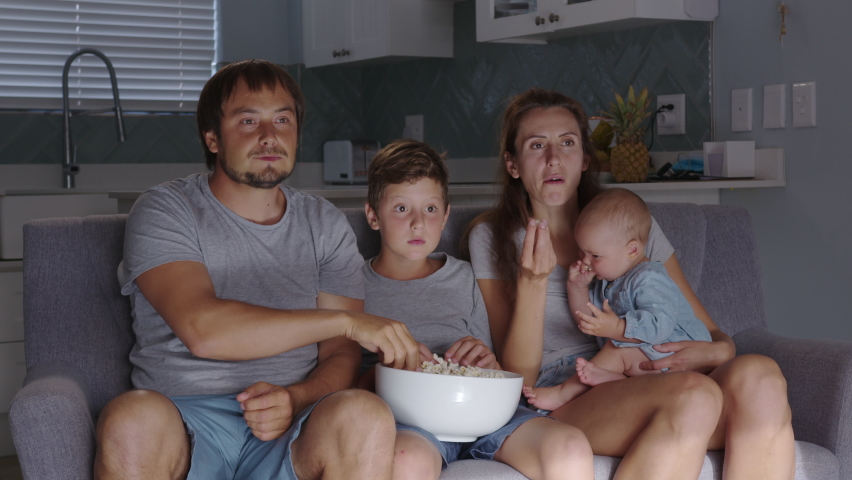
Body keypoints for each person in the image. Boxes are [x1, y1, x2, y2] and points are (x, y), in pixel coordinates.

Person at [94, 59, 423, 480]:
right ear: (212, 138)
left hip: (293, 424)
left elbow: (339, 353)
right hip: (184, 419)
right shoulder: (166, 210)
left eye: (282, 119)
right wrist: (345, 321)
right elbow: (204, 330)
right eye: (248, 120)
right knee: (130, 415)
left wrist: (297, 397)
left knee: (365, 412)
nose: (269, 136)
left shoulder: (324, 224)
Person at [464, 87, 795, 479]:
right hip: (569, 387)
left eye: (567, 143)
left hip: (655, 370)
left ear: (585, 159)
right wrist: (533, 283)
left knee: (761, 375)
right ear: (513, 164)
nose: (554, 159)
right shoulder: (492, 236)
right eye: (537, 145)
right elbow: (516, 375)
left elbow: (712, 332)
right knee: (695, 395)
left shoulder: (630, 228)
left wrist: (717, 352)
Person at [359, 139, 594, 480]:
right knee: (406, 460)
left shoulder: (466, 277)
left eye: (429, 209)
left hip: (486, 418)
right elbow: (343, 382)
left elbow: (497, 367)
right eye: (400, 209)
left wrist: (487, 362)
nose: (417, 223)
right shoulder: (353, 287)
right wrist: (386, 369)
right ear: (372, 216)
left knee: (569, 447)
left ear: (445, 216)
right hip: (409, 422)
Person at [522, 188, 712, 411]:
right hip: (650, 361)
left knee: (616, 347)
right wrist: (577, 287)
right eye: (582, 252)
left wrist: (618, 328)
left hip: (677, 355)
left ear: (632, 250)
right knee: (618, 346)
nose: (585, 261)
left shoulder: (649, 277)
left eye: (595, 255)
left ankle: (564, 393)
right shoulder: (609, 280)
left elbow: (659, 327)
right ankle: (619, 381)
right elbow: (590, 321)